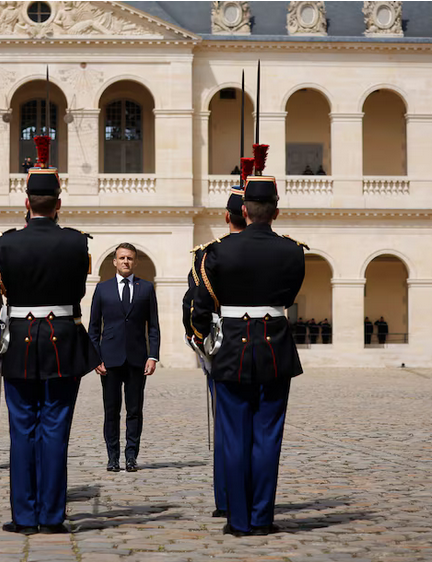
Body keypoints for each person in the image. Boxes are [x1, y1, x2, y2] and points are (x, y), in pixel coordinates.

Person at [0, 137, 99, 535]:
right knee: (56, 429)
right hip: (63, 338)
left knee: (22, 429)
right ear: (58, 204)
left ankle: (25, 516)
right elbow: (78, 292)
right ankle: (52, 515)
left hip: (20, 341)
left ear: (26, 203)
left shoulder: (4, 244)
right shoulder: (77, 242)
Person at [191, 175, 306, 537]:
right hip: (275, 347)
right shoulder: (292, 251)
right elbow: (288, 298)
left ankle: (239, 520)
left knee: (234, 437)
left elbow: (200, 308)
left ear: (243, 210)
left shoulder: (215, 252)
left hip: (231, 350)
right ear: (276, 212)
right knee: (268, 437)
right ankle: (261, 517)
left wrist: (205, 343)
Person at [182, 186, 247, 518]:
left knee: (226, 426)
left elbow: (193, 303)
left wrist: (199, 340)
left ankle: (226, 500)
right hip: (268, 347)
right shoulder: (282, 249)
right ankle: (254, 501)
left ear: (227, 216)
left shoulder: (209, 255)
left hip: (223, 348)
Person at [88, 243, 160, 473]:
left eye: (129, 258)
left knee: (134, 410)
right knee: (111, 411)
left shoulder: (146, 288)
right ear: (114, 261)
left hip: (137, 359)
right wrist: (95, 358)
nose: (125, 261)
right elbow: (93, 327)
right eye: (122, 258)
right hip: (109, 360)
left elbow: (154, 326)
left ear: (135, 261)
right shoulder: (102, 289)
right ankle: (112, 457)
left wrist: (153, 356)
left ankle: (131, 456)